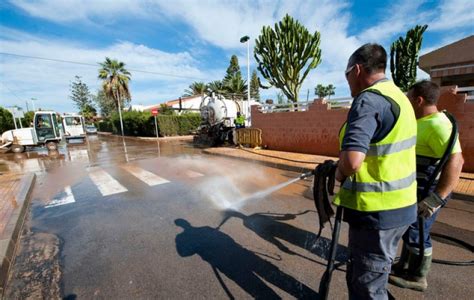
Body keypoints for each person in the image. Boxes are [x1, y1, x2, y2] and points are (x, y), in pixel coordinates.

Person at [333, 43, 418, 299]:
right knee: (373, 277)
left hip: (376, 212)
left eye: (346, 75)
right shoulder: (399, 97)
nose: (347, 82)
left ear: (357, 70)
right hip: (402, 207)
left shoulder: (368, 100)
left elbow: (351, 161)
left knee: (366, 287)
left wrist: (338, 172)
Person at [389, 80, 464, 291]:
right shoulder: (423, 120)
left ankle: (418, 277)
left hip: (429, 191)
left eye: (408, 99)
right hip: (416, 188)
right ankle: (405, 265)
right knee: (409, 227)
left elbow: (457, 162)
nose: (406, 103)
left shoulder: (438, 125)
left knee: (417, 230)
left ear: (418, 100)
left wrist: (437, 198)